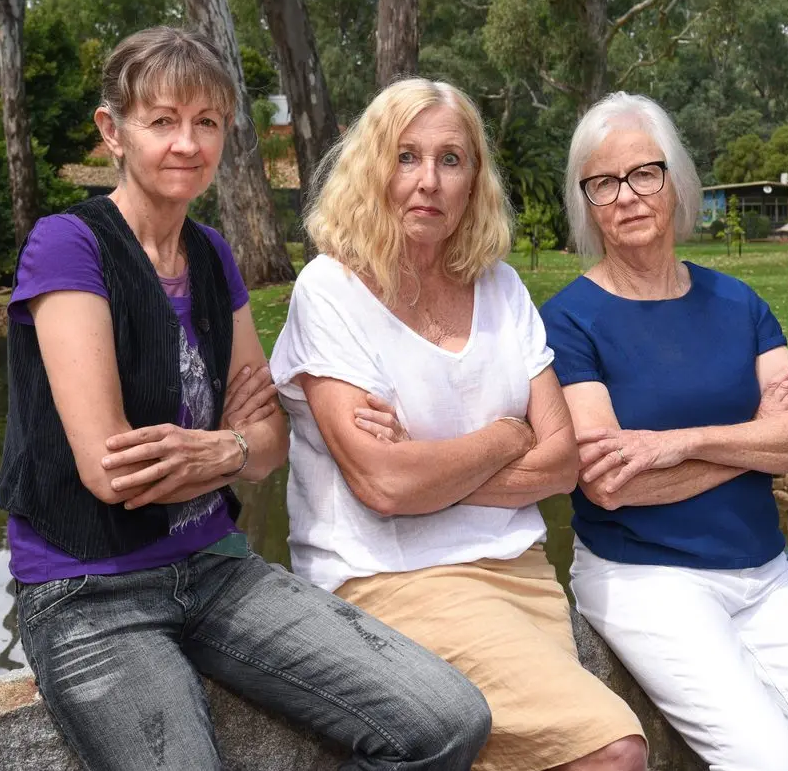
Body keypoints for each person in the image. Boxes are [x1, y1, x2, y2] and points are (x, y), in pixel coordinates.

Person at [0, 27, 491, 771]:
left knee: (448, 719)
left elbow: (267, 443)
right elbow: (112, 470)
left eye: (207, 123)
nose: (187, 143)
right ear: (113, 132)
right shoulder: (70, 245)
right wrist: (233, 445)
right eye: (162, 121)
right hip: (89, 592)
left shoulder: (211, 253)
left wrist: (220, 447)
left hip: (217, 566)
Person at [270, 78, 647, 771]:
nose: (428, 181)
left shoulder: (501, 287)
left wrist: (431, 471)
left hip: (520, 572)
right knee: (611, 748)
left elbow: (564, 464)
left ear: (475, 178)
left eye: (451, 159)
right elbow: (383, 485)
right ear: (372, 165)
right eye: (406, 156)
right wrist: (508, 435)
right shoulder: (331, 292)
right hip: (387, 577)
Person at [539, 92, 788, 771]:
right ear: (586, 202)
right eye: (603, 183)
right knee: (767, 757)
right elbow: (612, 484)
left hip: (764, 573)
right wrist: (760, 438)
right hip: (644, 576)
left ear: (676, 179)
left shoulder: (738, 302)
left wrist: (678, 442)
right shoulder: (569, 320)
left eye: (645, 172)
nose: (628, 196)